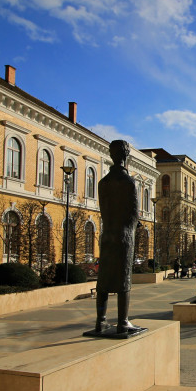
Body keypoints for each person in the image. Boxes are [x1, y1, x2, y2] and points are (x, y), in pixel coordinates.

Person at [88, 140, 147, 338]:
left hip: (107, 234)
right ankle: (122, 322)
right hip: (124, 235)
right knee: (124, 280)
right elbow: (133, 213)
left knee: (103, 280)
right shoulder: (129, 182)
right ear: (126, 155)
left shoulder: (103, 182)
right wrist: (133, 227)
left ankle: (100, 321)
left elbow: (104, 210)